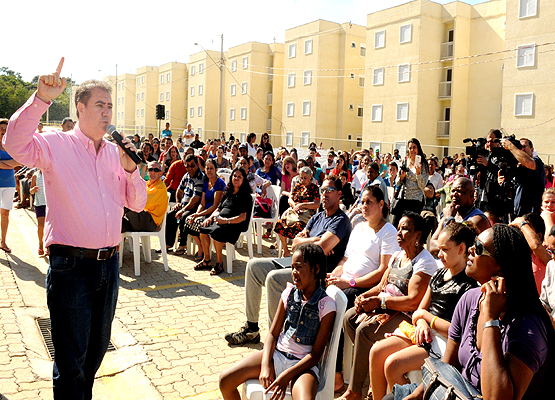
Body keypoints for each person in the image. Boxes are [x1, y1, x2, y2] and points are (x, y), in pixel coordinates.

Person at [3, 59, 147, 399]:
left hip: (108, 268)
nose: (107, 113)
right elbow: (15, 144)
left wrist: (130, 170)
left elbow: (138, 203)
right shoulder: (57, 144)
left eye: (110, 106)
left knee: (94, 356)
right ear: (79, 107)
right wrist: (40, 99)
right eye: (99, 105)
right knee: (71, 362)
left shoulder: (115, 154)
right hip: (72, 268)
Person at [395, 224, 554, 400]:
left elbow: (497, 397)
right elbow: (447, 364)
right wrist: (417, 397)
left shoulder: (527, 327)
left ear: (500, 269)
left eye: (479, 248)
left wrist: (490, 320)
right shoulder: (469, 299)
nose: (470, 249)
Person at [225, 175, 352, 345]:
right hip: (296, 263)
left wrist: (311, 242)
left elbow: (321, 249)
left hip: (315, 275)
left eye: (329, 190)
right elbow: (295, 245)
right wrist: (316, 240)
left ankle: (275, 339)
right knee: (253, 266)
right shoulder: (317, 217)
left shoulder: (341, 220)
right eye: (322, 190)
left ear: (339, 194)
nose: (324, 194)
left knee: (273, 279)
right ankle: (252, 328)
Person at [368, 222, 478, 400]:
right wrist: (420, 323)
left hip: (444, 342)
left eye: (445, 249)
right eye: (439, 249)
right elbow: (420, 310)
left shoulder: (468, 285)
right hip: (424, 333)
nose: (440, 255)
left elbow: (457, 332)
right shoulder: (438, 275)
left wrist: (426, 318)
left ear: (461, 249)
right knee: (376, 352)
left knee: (392, 364)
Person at [219, 243, 336, 400]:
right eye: (292, 267)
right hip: (277, 356)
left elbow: (315, 355)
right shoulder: (288, 294)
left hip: (303, 366)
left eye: (299, 267)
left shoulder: (326, 305)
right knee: (225, 381)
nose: (294, 272)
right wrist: (266, 365)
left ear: (315, 269)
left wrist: (286, 376)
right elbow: (273, 334)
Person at [340, 212, 437, 400]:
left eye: (405, 229)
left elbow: (413, 301)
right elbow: (381, 286)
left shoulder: (424, 262)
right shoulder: (397, 255)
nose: (399, 233)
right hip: (386, 308)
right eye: (398, 228)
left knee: (364, 330)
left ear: (418, 235)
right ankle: (371, 380)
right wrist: (365, 297)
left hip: (407, 317)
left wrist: (380, 302)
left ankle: (354, 391)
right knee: (350, 318)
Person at [326, 185, 400, 389]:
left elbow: (383, 271)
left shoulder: (388, 232)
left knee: (339, 304)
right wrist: (334, 275)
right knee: (319, 295)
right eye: (362, 201)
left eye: (369, 202)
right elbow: (344, 260)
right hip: (345, 280)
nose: (364, 206)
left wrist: (349, 283)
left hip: (365, 287)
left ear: (381, 204)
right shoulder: (358, 228)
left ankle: (338, 373)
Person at [197, 168, 253, 275]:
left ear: (243, 180)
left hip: (235, 224)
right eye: (234, 176)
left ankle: (219, 263)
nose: (236, 178)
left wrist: (226, 221)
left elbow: (243, 217)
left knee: (217, 232)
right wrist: (209, 218)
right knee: (203, 228)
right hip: (221, 221)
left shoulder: (246, 196)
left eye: (239, 177)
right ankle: (207, 260)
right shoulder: (228, 192)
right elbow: (218, 208)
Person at [430, 177, 491, 257]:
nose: (454, 194)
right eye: (453, 191)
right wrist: (447, 249)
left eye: (459, 191)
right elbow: (432, 246)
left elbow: (456, 248)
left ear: (471, 195)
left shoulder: (478, 219)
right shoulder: (450, 213)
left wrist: (449, 219)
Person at [181, 159, 225, 259]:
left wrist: (198, 215)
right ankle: (201, 247)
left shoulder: (219, 183)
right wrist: (196, 214)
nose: (209, 171)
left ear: (216, 169)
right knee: (189, 220)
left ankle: (205, 253)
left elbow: (215, 206)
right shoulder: (206, 183)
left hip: (216, 213)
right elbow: (202, 203)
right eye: (207, 168)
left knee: (200, 222)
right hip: (206, 212)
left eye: (211, 168)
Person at [163, 154, 205, 254]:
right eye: (187, 166)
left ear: (197, 165)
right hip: (184, 205)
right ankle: (168, 243)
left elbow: (195, 199)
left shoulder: (200, 178)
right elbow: (179, 191)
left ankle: (183, 244)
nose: (190, 168)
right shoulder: (186, 175)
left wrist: (183, 210)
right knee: (170, 216)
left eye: (192, 165)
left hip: (194, 208)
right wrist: (178, 202)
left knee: (184, 217)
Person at [274, 167, 321, 257]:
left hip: (306, 217)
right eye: (301, 178)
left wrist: (302, 205)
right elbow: (290, 198)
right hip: (294, 213)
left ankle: (297, 252)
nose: (303, 180)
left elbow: (317, 204)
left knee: (298, 227)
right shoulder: (298, 186)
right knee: (280, 224)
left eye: (305, 178)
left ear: (310, 176)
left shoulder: (314, 188)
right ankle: (286, 250)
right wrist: (295, 206)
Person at [501, 137, 545, 217]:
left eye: (524, 146)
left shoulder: (536, 161)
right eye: (519, 147)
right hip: (517, 214)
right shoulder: (517, 167)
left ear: (532, 149)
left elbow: (528, 162)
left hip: (532, 215)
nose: (522, 149)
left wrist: (510, 146)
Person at [391, 138, 429, 228]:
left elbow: (422, 186)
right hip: (402, 198)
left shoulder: (423, 164)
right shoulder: (405, 161)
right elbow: (397, 182)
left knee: (410, 228)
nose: (412, 150)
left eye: (414, 147)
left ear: (418, 148)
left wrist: (418, 173)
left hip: (415, 200)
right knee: (395, 226)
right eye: (410, 148)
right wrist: (402, 177)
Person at [122, 161, 168, 233]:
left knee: (124, 205)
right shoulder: (146, 184)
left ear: (160, 173)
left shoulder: (161, 187)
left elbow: (141, 202)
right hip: (141, 217)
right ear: (147, 172)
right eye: (150, 170)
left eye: (156, 170)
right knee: (119, 224)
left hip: (150, 222)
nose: (153, 172)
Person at [0, 119, 18, 253]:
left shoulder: (12, 146)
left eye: (6, 129)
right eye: (1, 129)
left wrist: (4, 164)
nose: (3, 132)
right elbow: (14, 163)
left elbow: (20, 162)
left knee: (5, 214)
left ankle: (3, 242)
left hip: (9, 184)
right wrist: (10, 164)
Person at [30, 169, 47, 255]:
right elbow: (31, 191)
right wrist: (33, 189)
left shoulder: (49, 173)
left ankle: (48, 246)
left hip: (49, 204)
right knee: (41, 226)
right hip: (39, 204)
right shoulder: (35, 175)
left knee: (49, 227)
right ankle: (40, 245)